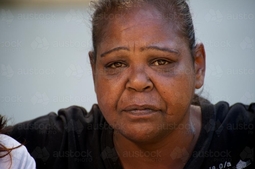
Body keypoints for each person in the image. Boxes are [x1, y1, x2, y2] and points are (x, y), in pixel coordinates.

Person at [3, 0, 255, 169]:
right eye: (116, 64)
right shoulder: (46, 148)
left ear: (197, 65)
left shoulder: (243, 137)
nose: (137, 82)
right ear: (94, 71)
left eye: (159, 61)